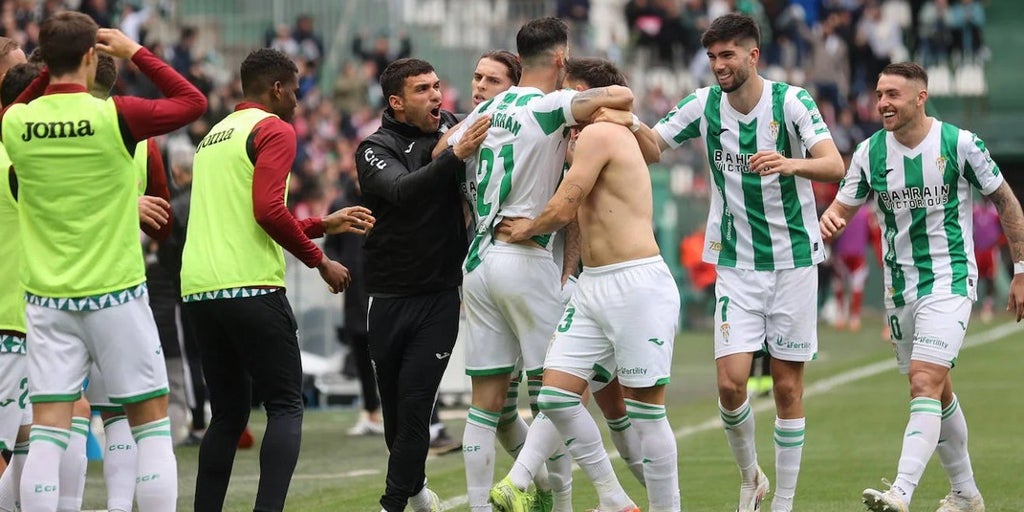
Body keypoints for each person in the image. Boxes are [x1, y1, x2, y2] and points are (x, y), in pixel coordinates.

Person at [634, 13, 846, 512]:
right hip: (735, 261)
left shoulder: (791, 102)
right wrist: (619, 119)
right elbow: (652, 147)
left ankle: (784, 503)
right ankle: (752, 477)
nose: (718, 65)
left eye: (727, 55)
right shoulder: (703, 106)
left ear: (753, 55)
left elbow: (834, 163)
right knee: (730, 385)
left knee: (788, 387)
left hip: (794, 260)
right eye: (712, 57)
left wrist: (789, 162)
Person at [1, 15, 206, 511]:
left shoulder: (16, 123)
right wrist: (135, 51)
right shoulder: (115, 116)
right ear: (93, 56)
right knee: (150, 423)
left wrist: (50, 70)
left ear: (43, 61)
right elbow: (193, 102)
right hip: (115, 291)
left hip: (46, 300)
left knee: (47, 432)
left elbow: (16, 104)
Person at [445, 18, 635, 512]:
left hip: (478, 259)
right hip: (522, 256)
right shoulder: (548, 106)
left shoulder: (488, 109)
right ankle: (562, 494)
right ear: (559, 59)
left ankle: (479, 506)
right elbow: (619, 97)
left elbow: (444, 149)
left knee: (484, 404)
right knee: (557, 391)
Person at [820, 61, 1024, 512]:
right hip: (899, 289)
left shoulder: (959, 144)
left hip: (950, 279)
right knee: (939, 390)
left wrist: (1022, 270)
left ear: (920, 97)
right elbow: (841, 209)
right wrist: (830, 220)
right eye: (878, 94)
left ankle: (901, 491)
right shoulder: (869, 153)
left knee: (923, 381)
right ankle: (966, 493)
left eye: (893, 94)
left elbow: (1007, 202)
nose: (883, 103)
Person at [180, 48, 371, 512]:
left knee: (226, 415)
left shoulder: (214, 137)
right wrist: (319, 260)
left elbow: (249, 217)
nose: (300, 102)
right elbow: (267, 211)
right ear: (278, 88)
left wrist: (321, 225)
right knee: (286, 405)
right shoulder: (274, 129)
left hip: (200, 290)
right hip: (252, 286)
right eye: (297, 90)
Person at [491, 56, 677, 512]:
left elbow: (566, 203)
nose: (566, 103)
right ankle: (613, 497)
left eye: (573, 93)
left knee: (645, 412)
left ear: (592, 96)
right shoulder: (598, 133)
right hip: (593, 285)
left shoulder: (600, 133)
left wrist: (524, 228)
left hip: (636, 283)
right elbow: (650, 148)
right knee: (554, 396)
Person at [355, 57, 489, 512]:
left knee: (415, 408)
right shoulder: (375, 147)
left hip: (437, 297)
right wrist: (455, 154)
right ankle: (417, 494)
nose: (436, 95)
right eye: (422, 90)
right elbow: (403, 191)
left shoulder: (454, 127)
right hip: (388, 299)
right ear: (396, 102)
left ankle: (391, 504)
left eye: (437, 86)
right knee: (396, 420)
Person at [0, 37, 30, 512]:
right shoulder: (13, 154)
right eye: (19, 72)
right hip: (11, 317)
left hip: (26, 316)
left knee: (42, 425)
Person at [830, 205, 873, 331]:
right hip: (851, 254)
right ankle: (852, 318)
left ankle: (844, 317)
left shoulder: (841, 208)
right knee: (854, 286)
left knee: (843, 285)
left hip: (845, 254)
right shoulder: (865, 212)